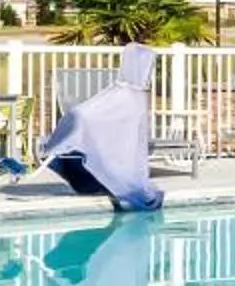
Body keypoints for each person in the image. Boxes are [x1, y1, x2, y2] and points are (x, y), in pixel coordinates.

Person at [32, 43, 166, 211]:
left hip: (106, 138)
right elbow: (103, 115)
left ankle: (102, 177)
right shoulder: (128, 94)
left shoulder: (128, 93)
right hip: (101, 135)